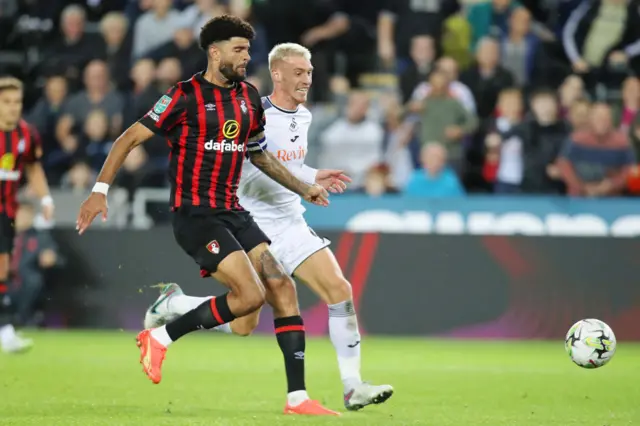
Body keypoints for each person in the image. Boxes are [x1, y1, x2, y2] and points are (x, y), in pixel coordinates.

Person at [76, 16, 338, 416]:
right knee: (251, 296)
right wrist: (99, 191)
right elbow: (129, 137)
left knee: (281, 288)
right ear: (214, 52)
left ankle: (297, 398)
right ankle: (161, 337)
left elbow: (258, 153)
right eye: (239, 50)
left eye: (248, 50)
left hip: (234, 211)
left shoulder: (249, 97)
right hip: (196, 214)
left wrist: (304, 187)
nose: (246, 57)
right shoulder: (183, 97)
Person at [143, 43, 394, 411]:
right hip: (250, 222)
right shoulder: (250, 110)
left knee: (339, 289)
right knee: (246, 321)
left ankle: (352, 386)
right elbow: (247, 164)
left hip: (290, 221)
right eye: (298, 72)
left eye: (309, 72)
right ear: (277, 74)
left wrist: (311, 174)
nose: (306, 79)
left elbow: (283, 165)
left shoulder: (304, 116)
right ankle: (176, 304)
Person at [0, 77, 55, 353]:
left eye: (17, 102)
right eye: (7, 102)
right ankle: (5, 330)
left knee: (3, 269)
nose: (12, 107)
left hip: (5, 211)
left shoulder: (26, 134)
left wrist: (45, 197)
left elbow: (33, 168)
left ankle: (5, 330)